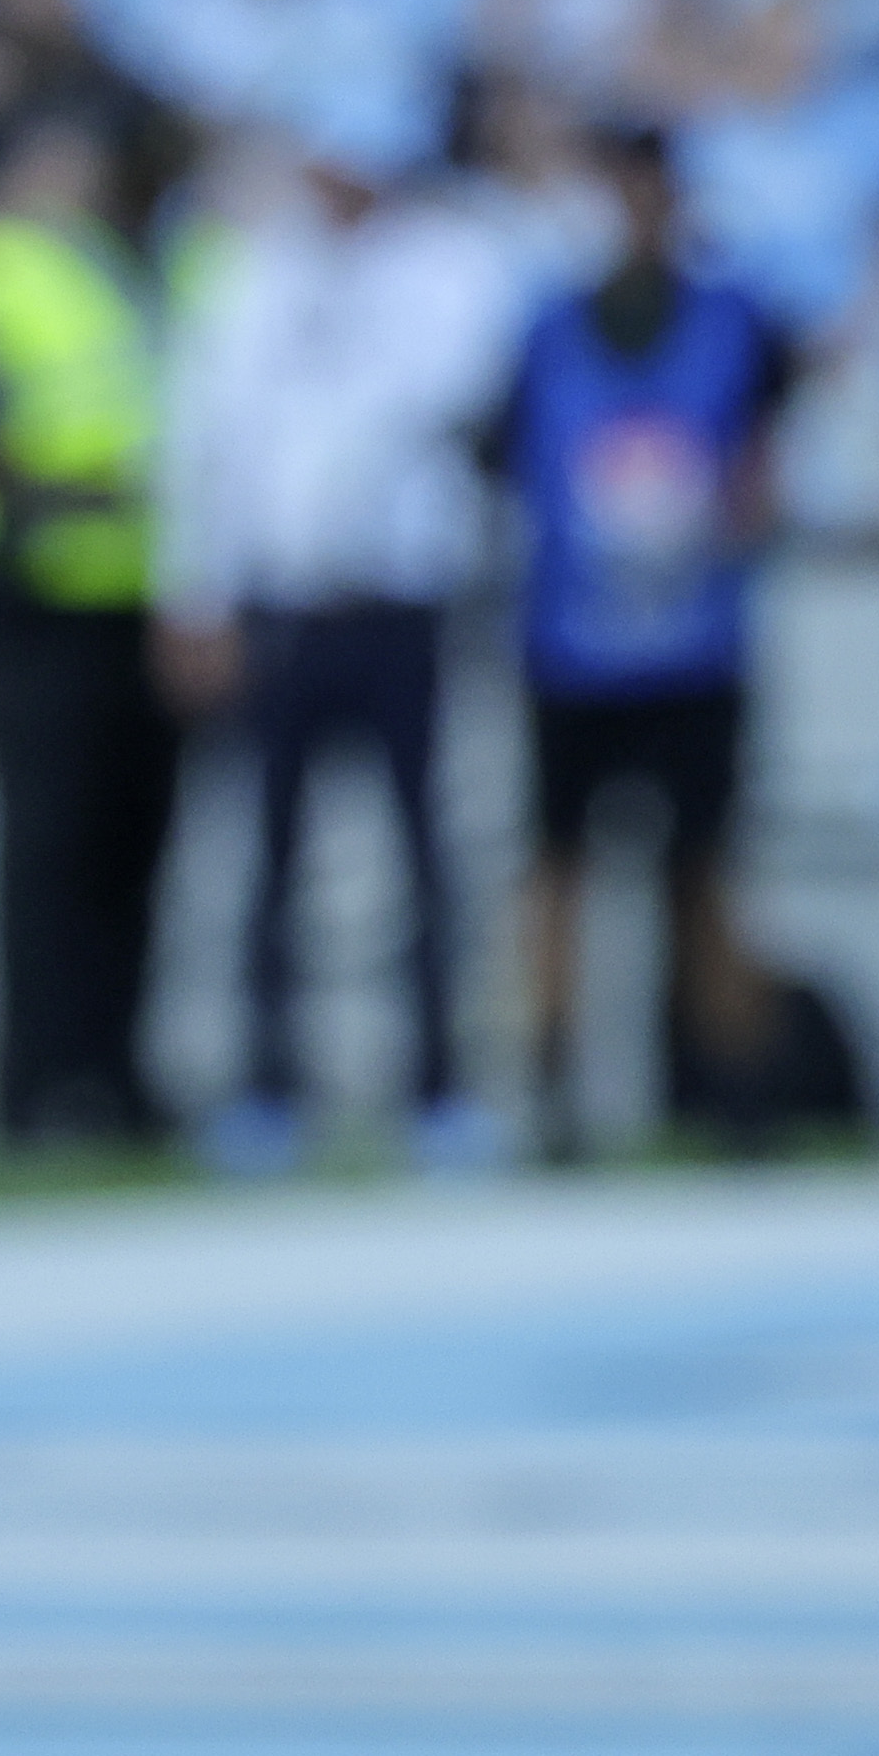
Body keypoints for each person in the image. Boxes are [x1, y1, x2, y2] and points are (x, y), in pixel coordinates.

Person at [159, 95, 516, 1175]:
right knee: (269, 857)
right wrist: (195, 593)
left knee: (425, 857)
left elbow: (446, 399)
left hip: (400, 599)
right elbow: (207, 438)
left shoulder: (450, 266)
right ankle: (269, 1086)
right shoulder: (252, 272)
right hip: (284, 602)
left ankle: (438, 1089)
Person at [490, 123, 789, 1167]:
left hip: (697, 645)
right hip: (572, 644)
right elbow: (503, 457)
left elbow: (766, 454)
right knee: (556, 874)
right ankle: (552, 1089)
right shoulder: (545, 328)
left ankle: (737, 1094)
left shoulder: (736, 322)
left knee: (706, 871)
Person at [0, 95, 180, 1150]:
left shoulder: (146, 270)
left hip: (138, 590)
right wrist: (56, 501)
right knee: (44, 846)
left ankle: (114, 1072)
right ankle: (29, 1082)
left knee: (133, 847)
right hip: (30, 589)